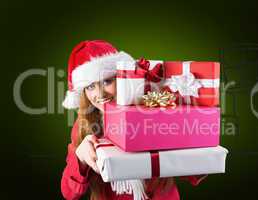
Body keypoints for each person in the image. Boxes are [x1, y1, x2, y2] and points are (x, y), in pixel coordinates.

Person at [60, 40, 207, 200]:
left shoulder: (153, 111)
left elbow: (196, 173)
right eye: (90, 87)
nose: (100, 94)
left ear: (124, 78)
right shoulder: (84, 126)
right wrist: (80, 159)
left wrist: (190, 136)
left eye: (107, 81)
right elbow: (69, 193)